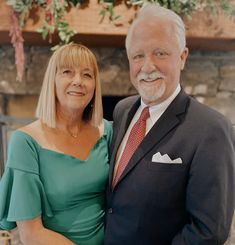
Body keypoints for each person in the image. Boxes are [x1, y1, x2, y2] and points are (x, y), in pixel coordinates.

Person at [104, 4, 235, 245]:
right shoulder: (122, 110)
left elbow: (209, 232)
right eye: (138, 56)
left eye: (160, 53)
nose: (148, 66)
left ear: (182, 56)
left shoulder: (212, 130)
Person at [0, 43, 112, 245]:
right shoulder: (25, 142)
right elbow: (31, 235)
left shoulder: (107, 132)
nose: (78, 81)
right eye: (67, 72)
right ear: (52, 81)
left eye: (87, 75)